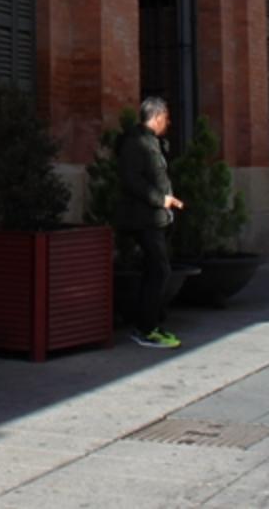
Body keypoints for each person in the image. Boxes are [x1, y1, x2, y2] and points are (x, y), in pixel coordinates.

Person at [118, 95, 185, 349]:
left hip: (154, 217)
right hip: (143, 218)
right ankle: (146, 328)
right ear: (156, 117)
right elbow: (133, 181)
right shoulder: (136, 143)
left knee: (155, 270)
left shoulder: (152, 142)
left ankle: (151, 323)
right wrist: (161, 200)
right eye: (166, 118)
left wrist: (168, 202)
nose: (168, 123)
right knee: (159, 270)